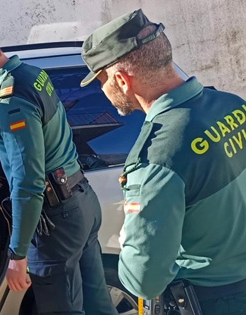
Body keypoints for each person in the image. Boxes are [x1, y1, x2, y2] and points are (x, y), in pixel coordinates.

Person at [0, 16, 117, 315]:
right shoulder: (29, 76)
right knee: (98, 303)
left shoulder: (11, 101)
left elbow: (28, 183)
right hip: (82, 202)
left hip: (56, 222)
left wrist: (17, 255)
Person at [80, 9, 246, 314]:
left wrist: (128, 238)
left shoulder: (156, 158)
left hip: (214, 302)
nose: (102, 90)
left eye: (101, 81)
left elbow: (144, 281)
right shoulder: (234, 105)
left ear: (121, 80)